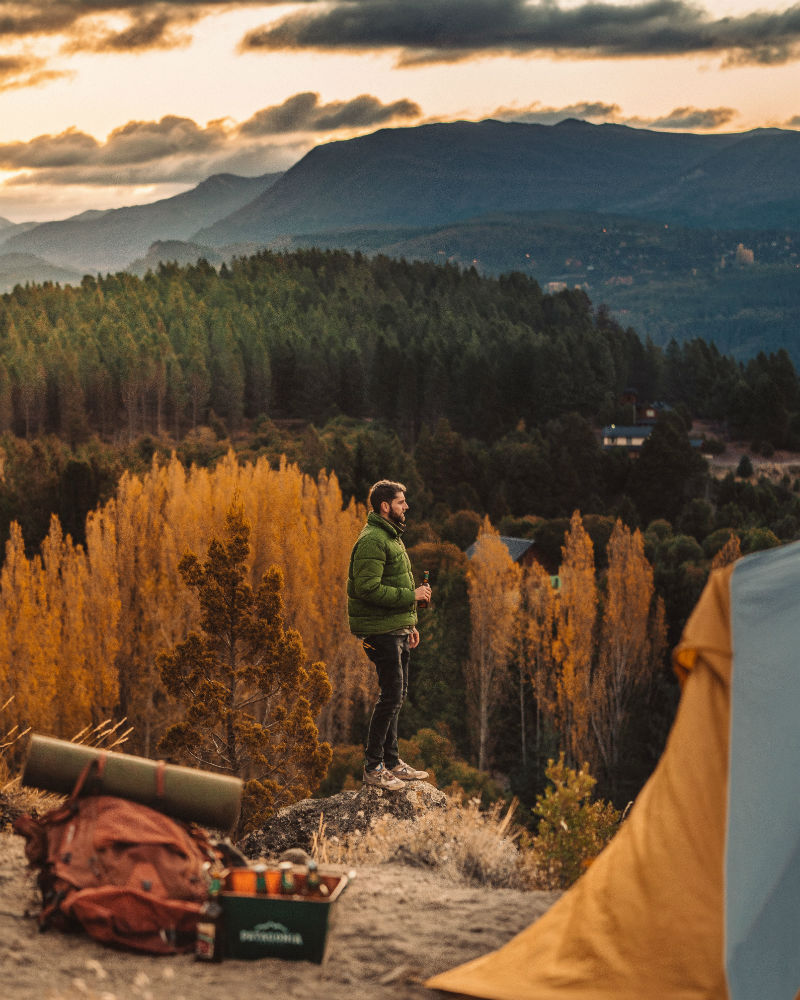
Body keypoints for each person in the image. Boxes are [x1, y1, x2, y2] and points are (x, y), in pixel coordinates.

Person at [347, 479, 432, 790]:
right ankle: (374, 767)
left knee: (396, 696)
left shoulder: (390, 537)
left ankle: (393, 762)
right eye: (400, 502)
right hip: (379, 631)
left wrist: (409, 625)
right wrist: (412, 595)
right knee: (391, 695)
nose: (405, 507)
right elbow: (367, 589)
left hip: (395, 629)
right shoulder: (373, 540)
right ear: (385, 506)